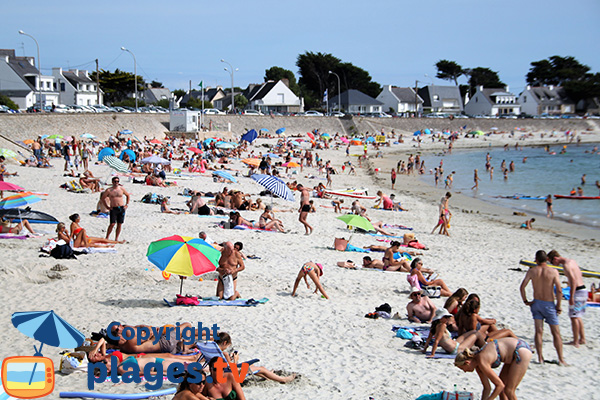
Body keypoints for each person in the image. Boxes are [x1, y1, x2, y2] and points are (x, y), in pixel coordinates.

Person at [519, 250, 567, 365]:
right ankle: (561, 359)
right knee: (556, 333)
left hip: (536, 303)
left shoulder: (532, 271)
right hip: (549, 303)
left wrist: (526, 301)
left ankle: (540, 358)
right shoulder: (553, 271)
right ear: (547, 259)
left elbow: (522, 287)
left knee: (538, 332)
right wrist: (558, 305)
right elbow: (559, 290)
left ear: (536, 259)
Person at [454, 337, 533, 400]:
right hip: (512, 354)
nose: (464, 371)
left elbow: (499, 385)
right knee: (502, 392)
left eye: (462, 368)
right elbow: (487, 388)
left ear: (467, 363)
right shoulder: (478, 365)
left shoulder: (482, 360)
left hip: (520, 351)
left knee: (509, 390)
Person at [215, 332, 296, 384]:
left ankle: (269, 376)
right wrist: (235, 360)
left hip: (219, 375)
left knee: (253, 366)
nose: (226, 348)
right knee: (261, 368)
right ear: (224, 342)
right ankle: (283, 379)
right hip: (232, 378)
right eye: (227, 345)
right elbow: (234, 370)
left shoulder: (212, 350)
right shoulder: (224, 354)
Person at [547, 250, 587, 347]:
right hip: (583, 290)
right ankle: (582, 339)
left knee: (573, 317)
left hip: (577, 291)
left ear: (555, 259)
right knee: (578, 316)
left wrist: (571, 296)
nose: (553, 264)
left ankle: (575, 341)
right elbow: (578, 276)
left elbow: (573, 281)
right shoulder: (572, 261)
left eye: (552, 262)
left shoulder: (566, 265)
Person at [101, 177, 130, 241]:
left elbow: (127, 195)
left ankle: (116, 238)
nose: (116, 183)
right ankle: (107, 237)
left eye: (117, 181)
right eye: (115, 181)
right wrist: (107, 206)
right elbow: (103, 198)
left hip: (121, 208)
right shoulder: (109, 190)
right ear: (112, 182)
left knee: (119, 224)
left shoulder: (121, 189)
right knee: (112, 224)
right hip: (113, 208)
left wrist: (126, 204)